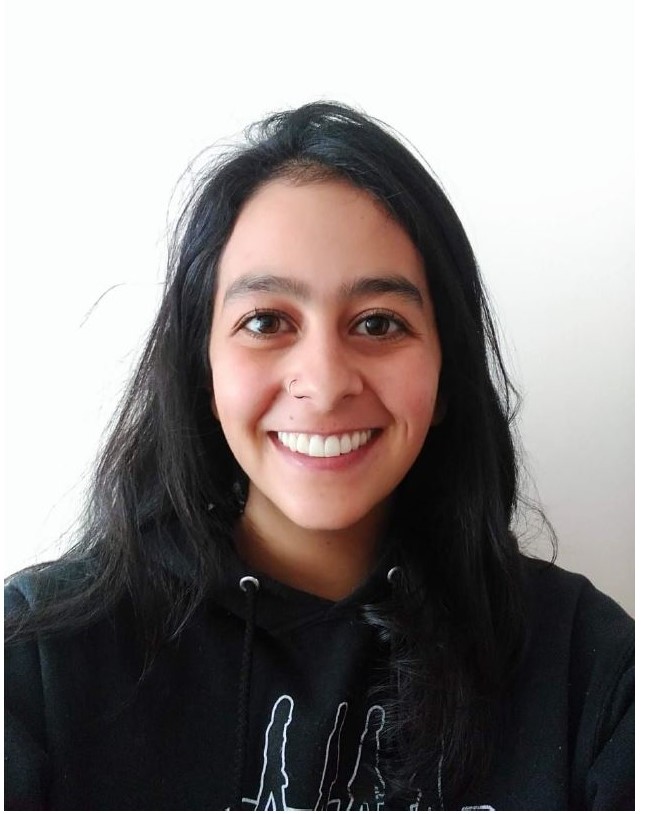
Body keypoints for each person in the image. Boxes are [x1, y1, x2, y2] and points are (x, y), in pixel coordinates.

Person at [4, 102, 634, 811]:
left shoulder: (589, 667)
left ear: (446, 373)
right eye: (266, 321)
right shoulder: (37, 660)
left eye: (378, 323)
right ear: (204, 373)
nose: (326, 383)